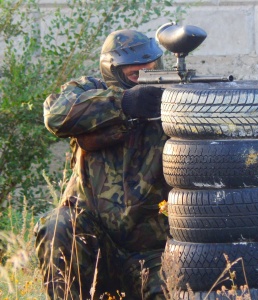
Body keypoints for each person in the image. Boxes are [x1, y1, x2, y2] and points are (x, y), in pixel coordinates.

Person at [34, 28, 171, 300]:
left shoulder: (172, 100)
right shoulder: (91, 91)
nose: (146, 70)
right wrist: (124, 103)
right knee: (58, 226)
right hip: (94, 242)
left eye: (151, 64)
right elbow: (56, 114)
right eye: (135, 71)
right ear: (113, 70)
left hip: (152, 252)